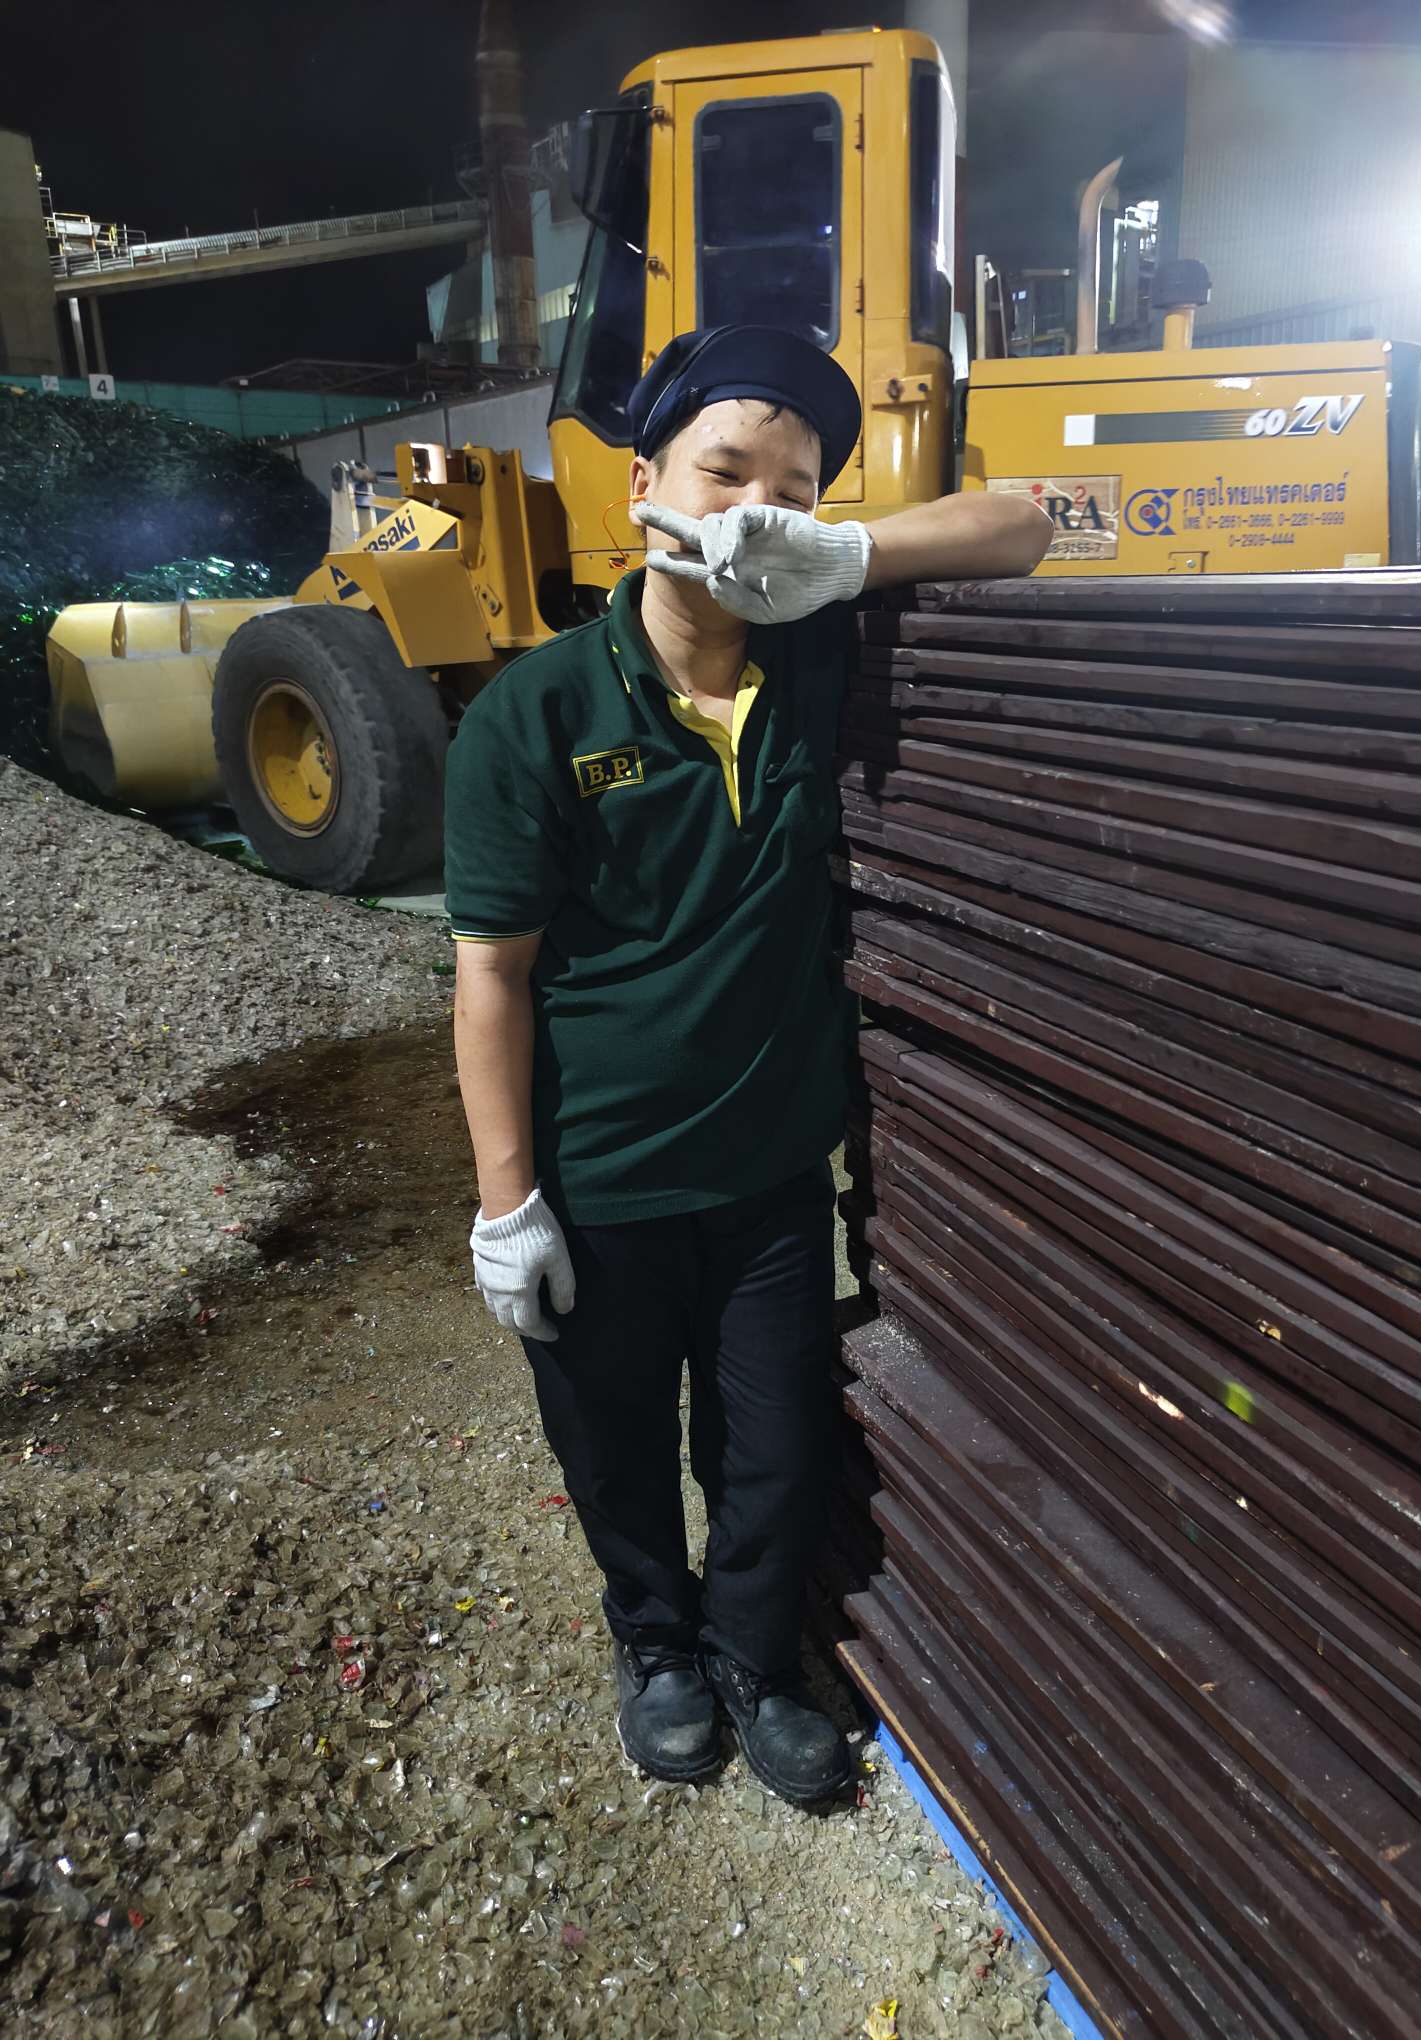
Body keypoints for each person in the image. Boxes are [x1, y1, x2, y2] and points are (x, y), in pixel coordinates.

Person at [446, 325, 1051, 1805]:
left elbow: (1028, 520)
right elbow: (493, 975)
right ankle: (655, 1646)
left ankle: (755, 1660)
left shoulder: (811, 655)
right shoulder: (539, 712)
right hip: (602, 1175)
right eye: (722, 474)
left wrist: (843, 557)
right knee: (614, 1444)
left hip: (772, 1169)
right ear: (642, 485)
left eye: (791, 490)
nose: (751, 513)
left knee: (772, 1448)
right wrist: (507, 1202)